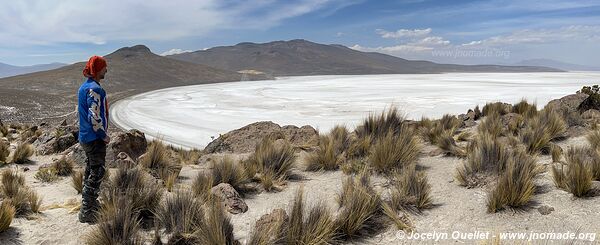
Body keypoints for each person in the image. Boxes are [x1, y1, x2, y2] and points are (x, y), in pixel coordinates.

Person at [77, 55, 110, 223]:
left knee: (91, 168)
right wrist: (103, 135)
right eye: (104, 67)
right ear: (98, 69)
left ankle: (89, 203)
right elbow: (94, 115)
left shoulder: (84, 87)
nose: (107, 70)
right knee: (98, 171)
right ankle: (87, 211)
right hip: (93, 137)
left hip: (85, 136)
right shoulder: (95, 89)